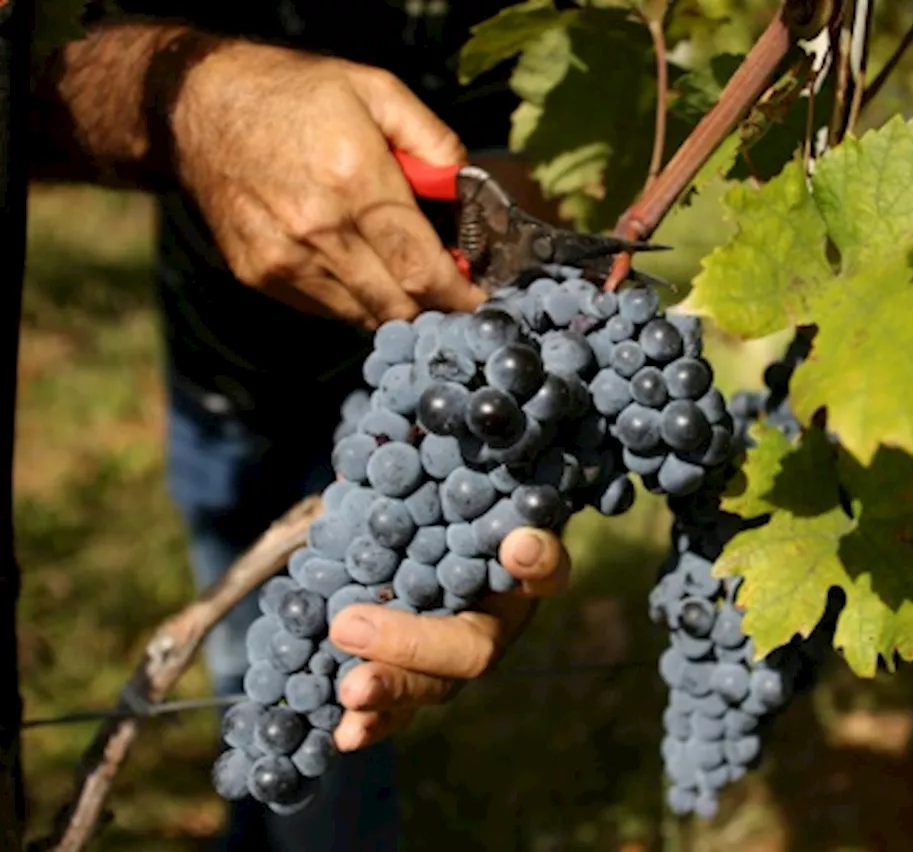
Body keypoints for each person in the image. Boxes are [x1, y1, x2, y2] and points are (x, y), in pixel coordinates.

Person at [5, 1, 576, 848]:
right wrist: (192, 101)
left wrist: (523, 424)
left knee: (332, 734)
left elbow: (538, 150)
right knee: (252, 673)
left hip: (411, 423)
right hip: (218, 379)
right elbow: (30, 60)